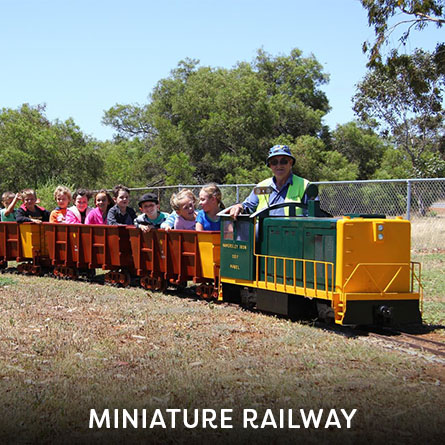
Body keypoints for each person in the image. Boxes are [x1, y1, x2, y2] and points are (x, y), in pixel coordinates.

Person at [229, 145, 310, 218]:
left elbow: (313, 215)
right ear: (270, 165)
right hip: (263, 233)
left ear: (290, 163)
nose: (279, 166)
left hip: (292, 233)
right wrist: (239, 207)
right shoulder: (261, 186)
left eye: (283, 161)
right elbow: (248, 206)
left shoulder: (304, 185)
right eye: (274, 162)